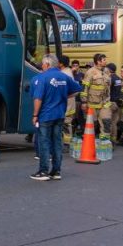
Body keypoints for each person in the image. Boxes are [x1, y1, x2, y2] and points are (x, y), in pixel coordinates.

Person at [30, 53, 82, 181]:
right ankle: (56, 171)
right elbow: (77, 89)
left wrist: (35, 115)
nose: (42, 66)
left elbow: (38, 98)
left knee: (44, 142)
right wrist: (65, 96)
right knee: (57, 142)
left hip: (46, 115)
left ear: (47, 64)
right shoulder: (64, 77)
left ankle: (43, 171)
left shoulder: (42, 78)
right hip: (60, 115)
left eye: (42, 64)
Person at [80, 53, 113, 140]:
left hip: (105, 103)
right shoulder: (90, 72)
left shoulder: (106, 71)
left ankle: (105, 142)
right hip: (92, 104)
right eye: (104, 60)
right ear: (98, 62)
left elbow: (108, 87)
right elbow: (84, 87)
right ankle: (90, 142)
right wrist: (84, 102)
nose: (106, 61)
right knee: (92, 124)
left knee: (106, 122)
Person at [107, 62, 123, 143]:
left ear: (109, 69)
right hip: (117, 103)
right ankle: (114, 139)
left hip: (111, 103)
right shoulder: (118, 78)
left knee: (109, 122)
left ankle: (110, 140)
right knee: (114, 122)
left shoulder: (110, 78)